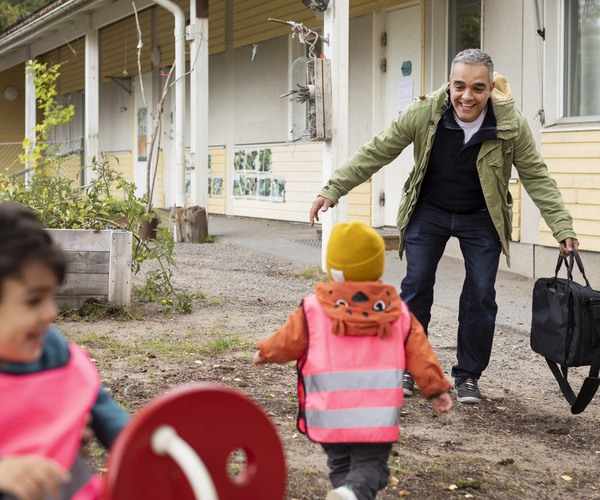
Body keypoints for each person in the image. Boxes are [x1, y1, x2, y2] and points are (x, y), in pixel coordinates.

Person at [309, 49, 579, 404]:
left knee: (481, 294)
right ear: (449, 84)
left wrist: (562, 227)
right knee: (417, 285)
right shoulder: (424, 113)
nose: (467, 96)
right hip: (429, 211)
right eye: (460, 86)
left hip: (481, 216)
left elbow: (536, 177)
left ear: (490, 88)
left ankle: (467, 376)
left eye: (478, 88)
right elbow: (377, 151)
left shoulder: (511, 124)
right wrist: (334, 188)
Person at [253, 221, 452, 500]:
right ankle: (352, 493)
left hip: (328, 413)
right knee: (373, 469)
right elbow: (420, 352)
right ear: (377, 266)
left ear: (334, 267)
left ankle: (347, 492)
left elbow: (288, 340)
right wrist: (436, 389)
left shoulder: (312, 309)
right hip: (376, 416)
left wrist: (265, 352)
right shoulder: (396, 311)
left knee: (341, 466)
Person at [0, 202, 130, 499]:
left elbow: (117, 426)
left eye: (51, 296)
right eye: (34, 301)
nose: (51, 313)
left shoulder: (55, 356)